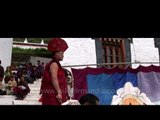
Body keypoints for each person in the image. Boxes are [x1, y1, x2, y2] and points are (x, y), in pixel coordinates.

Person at [40, 38, 69, 105]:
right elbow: (54, 78)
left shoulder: (55, 63)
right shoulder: (54, 64)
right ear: (56, 53)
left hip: (54, 92)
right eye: (62, 53)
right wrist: (59, 92)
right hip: (53, 94)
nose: (63, 55)